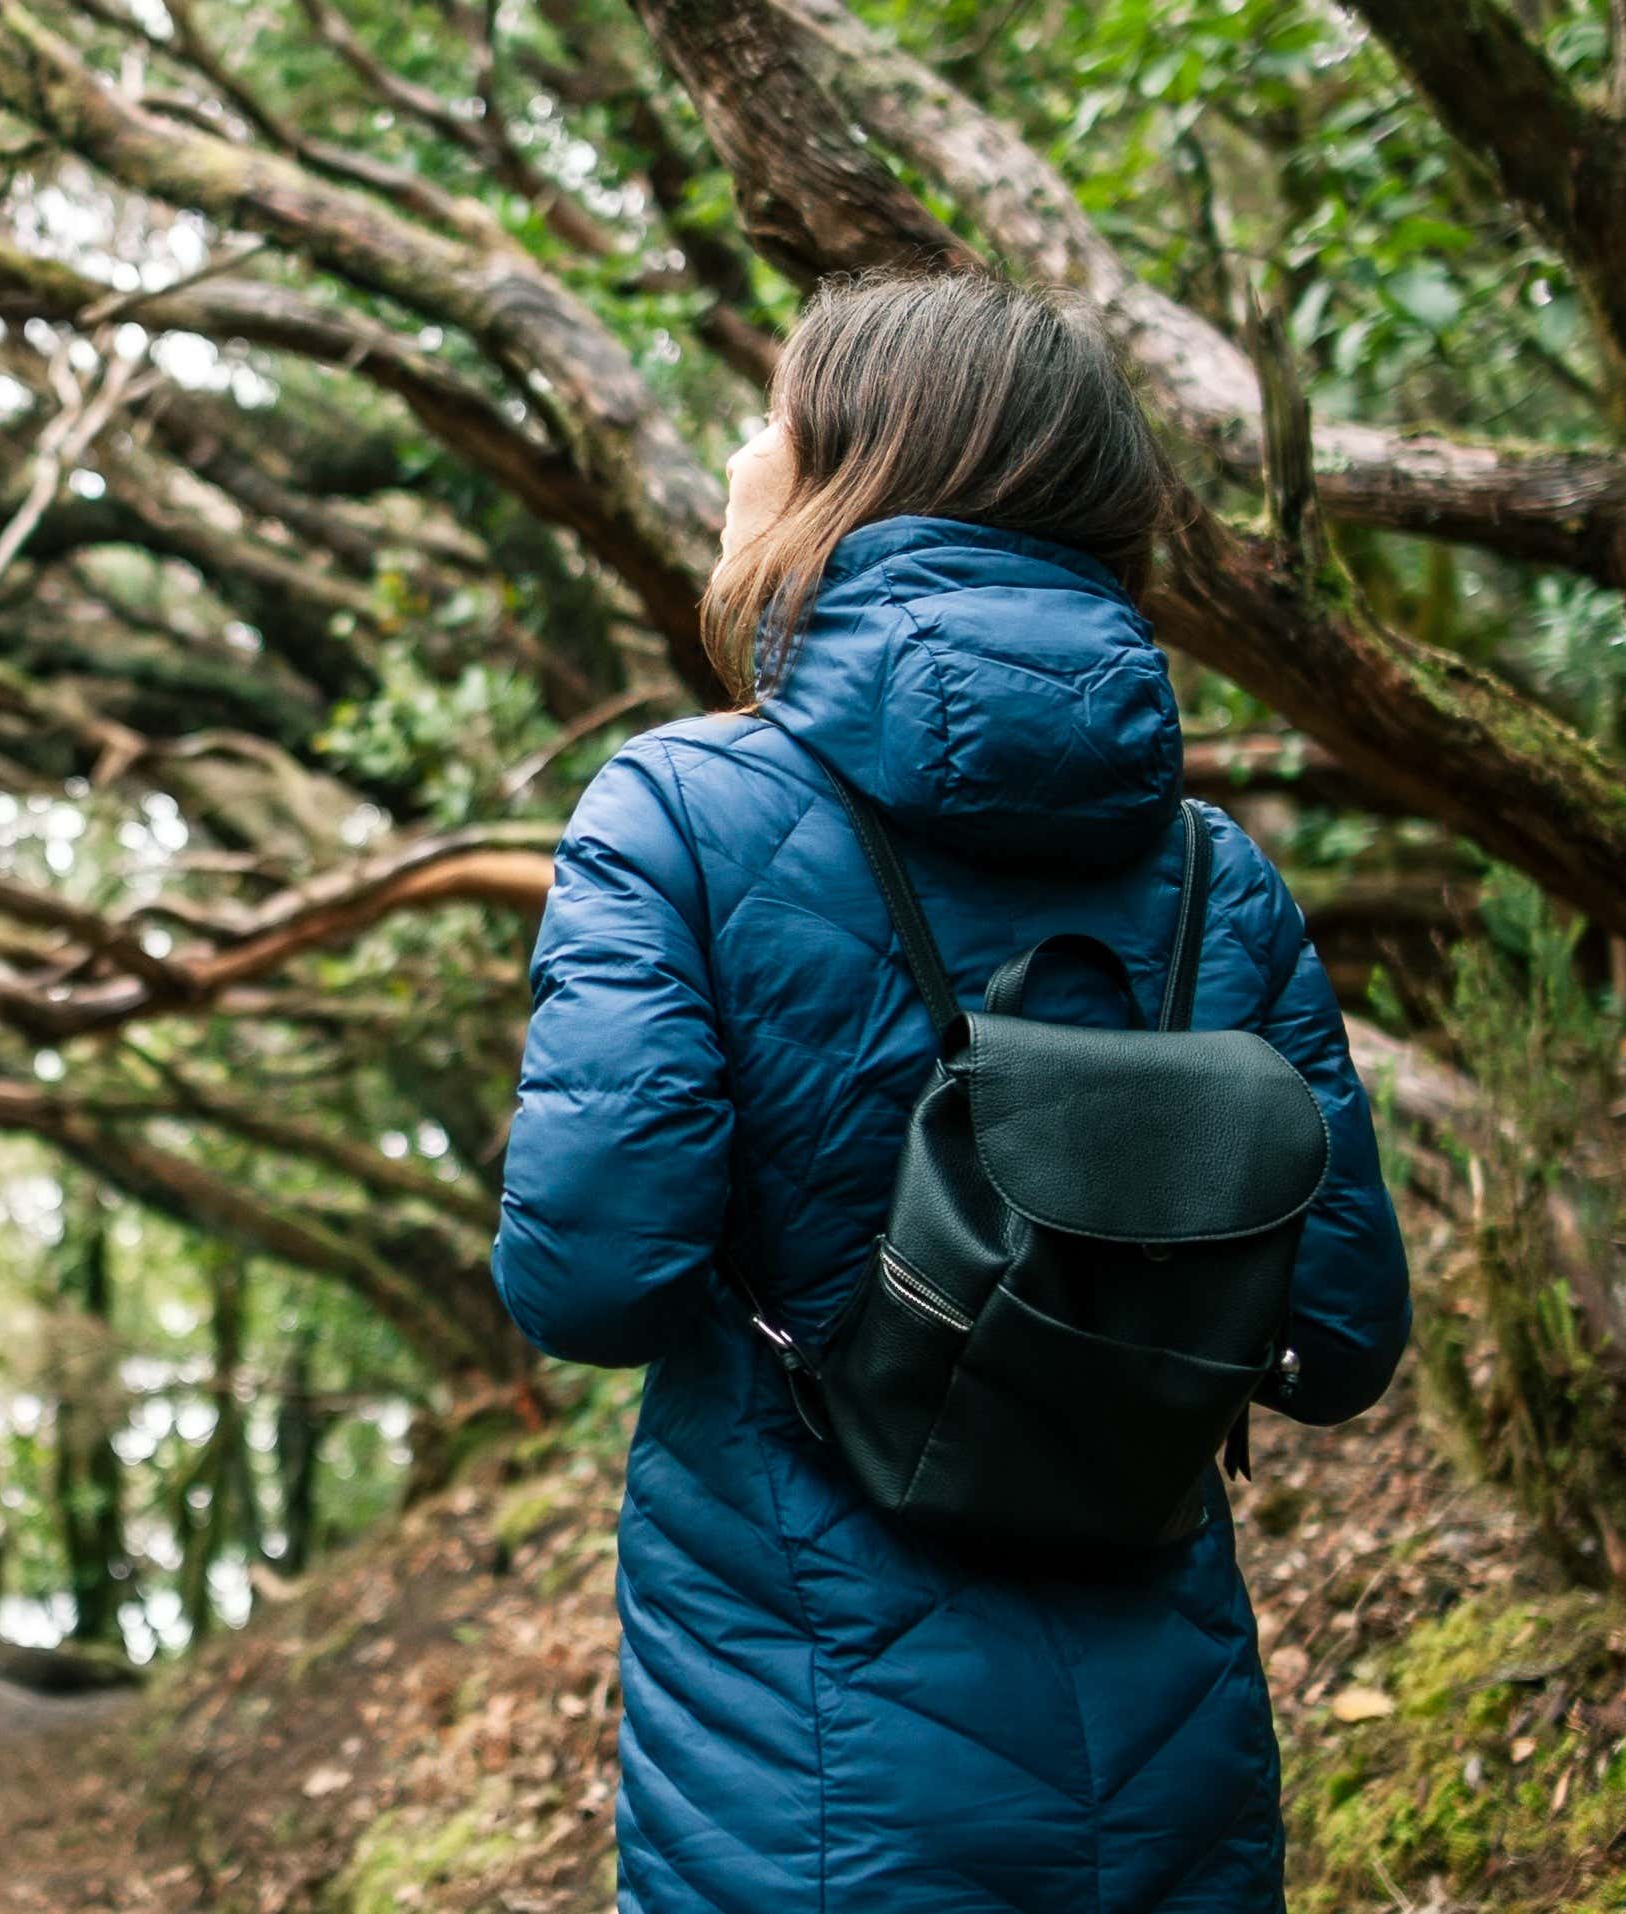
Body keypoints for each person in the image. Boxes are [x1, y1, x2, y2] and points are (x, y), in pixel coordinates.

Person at [489, 271, 1413, 1912]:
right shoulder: (1220, 877)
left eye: (772, 415)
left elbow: (590, 1273)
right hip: (1175, 1789)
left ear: (857, 466)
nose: (739, 447)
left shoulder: (679, 814)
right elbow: (1337, 1338)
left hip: (805, 1785)